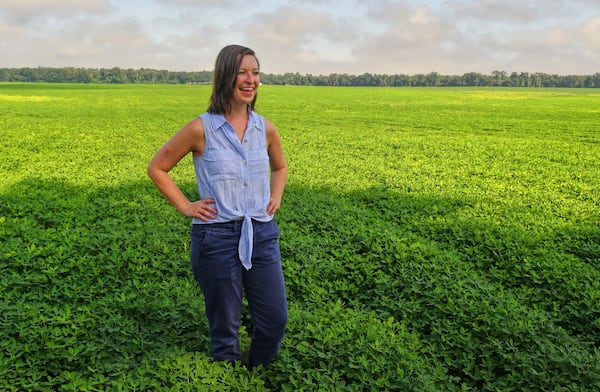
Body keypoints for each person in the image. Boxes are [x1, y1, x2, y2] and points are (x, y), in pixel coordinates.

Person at [147, 44, 288, 369]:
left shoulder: (264, 128)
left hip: (261, 234)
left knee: (274, 319)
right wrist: (186, 206)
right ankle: (228, 379)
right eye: (243, 72)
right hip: (217, 238)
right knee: (225, 330)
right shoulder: (201, 128)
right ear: (226, 76)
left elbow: (280, 167)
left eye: (255, 72)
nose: (251, 79)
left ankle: (257, 373)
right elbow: (158, 167)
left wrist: (276, 195)